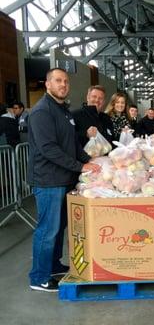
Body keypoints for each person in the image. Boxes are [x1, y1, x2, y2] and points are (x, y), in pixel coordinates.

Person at [28, 68, 100, 292]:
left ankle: (53, 264)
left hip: (64, 178)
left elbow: (73, 145)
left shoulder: (63, 111)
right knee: (47, 230)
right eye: (58, 81)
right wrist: (80, 166)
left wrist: (91, 160)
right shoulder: (42, 111)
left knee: (58, 228)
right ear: (47, 84)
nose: (63, 84)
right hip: (49, 179)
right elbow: (49, 149)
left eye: (66, 81)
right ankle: (39, 277)